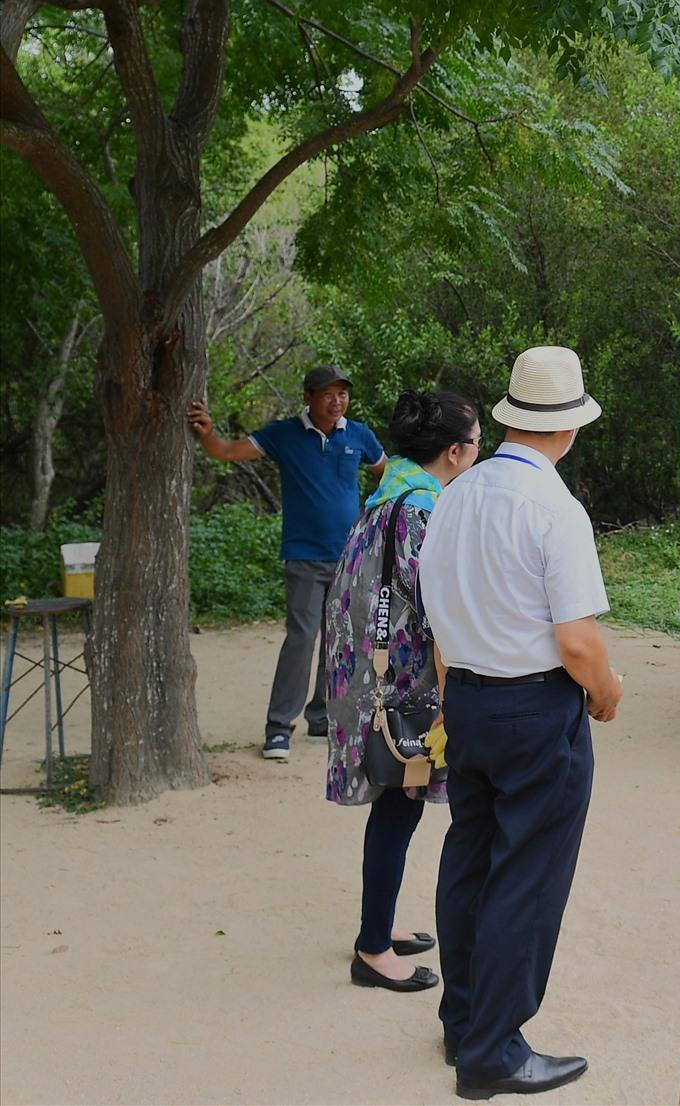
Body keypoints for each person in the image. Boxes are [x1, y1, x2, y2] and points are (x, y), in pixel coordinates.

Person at [416, 346, 623, 1100]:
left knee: (470, 856)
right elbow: (576, 640)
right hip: (536, 707)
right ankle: (495, 1049)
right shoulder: (554, 509)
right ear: (568, 430)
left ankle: (464, 1020)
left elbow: (437, 620)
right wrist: (606, 690)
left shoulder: (455, 498)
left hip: (467, 698)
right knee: (527, 874)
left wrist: (452, 695)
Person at [323, 389, 483, 994]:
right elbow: (435, 603)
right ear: (454, 452)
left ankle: (380, 928)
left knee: (400, 803)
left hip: (369, 672)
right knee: (399, 800)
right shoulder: (421, 509)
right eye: (476, 441)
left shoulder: (391, 494)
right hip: (398, 685)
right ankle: (372, 949)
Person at [189, 366, 386, 761]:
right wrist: (208, 433)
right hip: (304, 556)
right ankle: (279, 727)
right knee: (301, 639)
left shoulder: (359, 435)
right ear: (308, 397)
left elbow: (386, 473)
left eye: (343, 394)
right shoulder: (284, 434)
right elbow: (225, 451)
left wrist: (371, 516)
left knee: (338, 641)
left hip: (349, 557)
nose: (337, 402)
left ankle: (320, 718)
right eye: (329, 394)